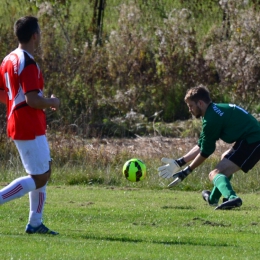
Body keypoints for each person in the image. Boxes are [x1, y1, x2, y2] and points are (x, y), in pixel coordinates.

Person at [0, 16, 60, 234]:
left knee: (42, 170)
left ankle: (35, 222)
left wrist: (15, 103)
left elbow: (3, 93)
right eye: (40, 32)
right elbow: (32, 100)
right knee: (40, 176)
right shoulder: (27, 62)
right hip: (28, 124)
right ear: (35, 35)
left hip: (21, 122)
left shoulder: (8, 59)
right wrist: (52, 102)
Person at [158, 85, 260, 210]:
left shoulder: (211, 119)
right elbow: (201, 145)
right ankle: (213, 199)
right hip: (250, 138)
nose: (190, 110)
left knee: (214, 174)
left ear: (200, 103)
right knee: (224, 159)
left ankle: (232, 197)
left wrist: (186, 171)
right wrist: (179, 162)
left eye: (191, 106)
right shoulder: (213, 111)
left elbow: (206, 152)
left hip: (253, 141)